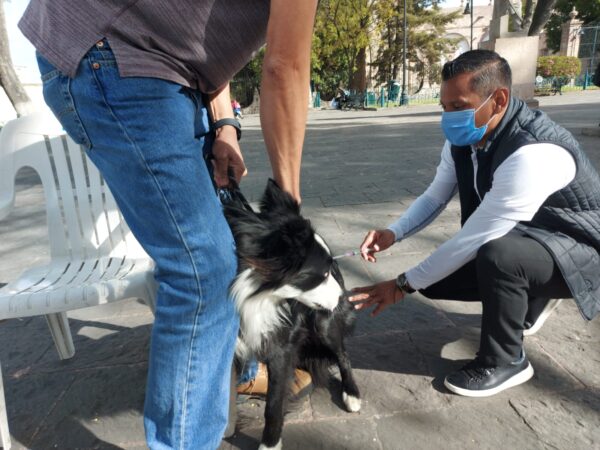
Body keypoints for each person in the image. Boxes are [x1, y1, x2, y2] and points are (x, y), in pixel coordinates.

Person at [19, 1, 317, 448]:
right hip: (118, 57)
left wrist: (225, 126)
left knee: (225, 246)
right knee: (204, 272)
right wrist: (289, 208)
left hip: (157, 66)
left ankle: (234, 374)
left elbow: (207, 29)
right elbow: (285, 67)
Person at [351, 50, 600, 398]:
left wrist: (402, 284)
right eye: (444, 107)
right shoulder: (466, 139)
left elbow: (475, 237)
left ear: (498, 99)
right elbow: (435, 196)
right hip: (534, 238)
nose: (448, 117)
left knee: (498, 256)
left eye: (458, 106)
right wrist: (394, 232)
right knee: (436, 282)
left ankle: (506, 360)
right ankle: (532, 295)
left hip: (582, 252)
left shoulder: (534, 152)